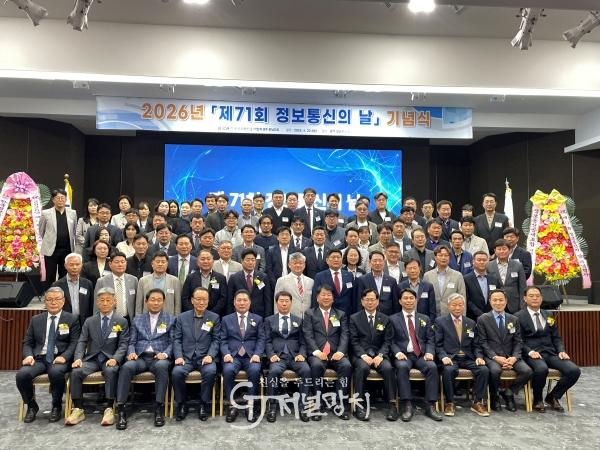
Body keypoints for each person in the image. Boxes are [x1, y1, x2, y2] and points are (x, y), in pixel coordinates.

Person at [65, 287, 129, 426]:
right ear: (97, 302)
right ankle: (78, 409)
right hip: (92, 359)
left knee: (111, 371)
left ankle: (109, 408)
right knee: (76, 371)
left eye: (108, 300)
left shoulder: (121, 321)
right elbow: (82, 341)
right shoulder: (89, 321)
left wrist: (116, 358)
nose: (105, 303)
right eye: (102, 300)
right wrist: (78, 358)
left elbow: (124, 344)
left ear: (114, 302)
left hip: (110, 359)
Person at [16, 287, 81, 423]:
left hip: (60, 358)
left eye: (57, 299)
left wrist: (65, 356)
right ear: (45, 302)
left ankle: (56, 406)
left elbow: (74, 343)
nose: (53, 302)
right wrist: (28, 356)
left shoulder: (72, 319)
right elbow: (28, 342)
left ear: (63, 301)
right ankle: (31, 405)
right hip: (39, 358)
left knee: (56, 372)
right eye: (49, 299)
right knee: (22, 375)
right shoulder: (36, 319)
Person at [115, 288, 176, 429]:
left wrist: (165, 354)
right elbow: (131, 342)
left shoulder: (171, 319)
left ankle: (159, 408)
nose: (156, 303)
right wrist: (131, 353)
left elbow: (173, 342)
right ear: (146, 302)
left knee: (162, 367)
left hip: (159, 357)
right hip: (140, 357)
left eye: (159, 300)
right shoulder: (137, 319)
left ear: (163, 302)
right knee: (126, 367)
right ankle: (121, 409)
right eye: (152, 300)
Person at [515, 286, 580, 413]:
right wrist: (530, 352)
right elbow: (518, 341)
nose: (535, 298)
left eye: (537, 296)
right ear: (525, 299)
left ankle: (553, 396)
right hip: (532, 353)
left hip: (550, 352)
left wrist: (561, 350)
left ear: (541, 298)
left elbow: (556, 337)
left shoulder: (548, 314)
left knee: (574, 370)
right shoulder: (518, 316)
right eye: (531, 296)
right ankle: (538, 399)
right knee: (541, 369)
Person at [389, 288, 442, 422]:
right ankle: (407, 404)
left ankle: (430, 405)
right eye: (405, 298)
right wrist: (397, 352)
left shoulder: (424, 318)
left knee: (432, 367)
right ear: (400, 301)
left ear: (416, 300)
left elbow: (430, 339)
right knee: (402, 367)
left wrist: (429, 352)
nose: (409, 301)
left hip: (421, 355)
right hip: (403, 355)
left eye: (411, 298)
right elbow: (390, 340)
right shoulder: (393, 319)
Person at [434, 293, 490, 417]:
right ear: (448, 305)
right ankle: (450, 402)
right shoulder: (440, 322)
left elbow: (476, 345)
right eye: (454, 305)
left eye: (460, 305)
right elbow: (437, 344)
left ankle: (477, 402)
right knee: (448, 370)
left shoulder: (471, 322)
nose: (457, 308)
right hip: (450, 357)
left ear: (464, 306)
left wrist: (479, 357)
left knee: (484, 370)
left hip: (468, 357)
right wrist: (443, 357)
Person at [477, 289, 532, 412]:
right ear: (490, 301)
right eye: (495, 300)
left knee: (527, 371)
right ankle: (494, 396)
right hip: (492, 357)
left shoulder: (514, 319)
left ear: (506, 301)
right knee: (495, 371)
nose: (498, 303)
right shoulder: (483, 319)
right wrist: (495, 357)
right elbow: (482, 342)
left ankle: (509, 392)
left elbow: (518, 341)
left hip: (511, 356)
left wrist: (514, 357)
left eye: (501, 300)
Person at [303, 285, 352, 421]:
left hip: (336, 353)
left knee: (346, 366)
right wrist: (317, 352)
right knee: (316, 366)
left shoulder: (340, 314)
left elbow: (345, 334)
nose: (326, 297)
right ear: (317, 298)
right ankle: (317, 404)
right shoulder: (310, 314)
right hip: (318, 353)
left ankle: (339, 403)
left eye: (329, 295)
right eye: (323, 295)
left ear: (333, 298)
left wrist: (341, 351)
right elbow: (308, 335)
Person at [172, 287, 220, 421]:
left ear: (208, 301)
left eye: (204, 299)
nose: (201, 302)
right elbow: (177, 339)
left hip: (205, 358)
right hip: (186, 358)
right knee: (176, 373)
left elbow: (216, 340)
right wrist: (179, 356)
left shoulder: (214, 318)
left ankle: (203, 404)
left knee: (211, 372)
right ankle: (182, 404)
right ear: (192, 300)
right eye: (198, 299)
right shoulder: (182, 317)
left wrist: (210, 355)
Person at [349, 289, 397, 421]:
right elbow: (353, 341)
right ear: (362, 302)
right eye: (367, 300)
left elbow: (388, 341)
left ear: (377, 301)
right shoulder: (354, 318)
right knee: (362, 368)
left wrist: (380, 355)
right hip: (361, 355)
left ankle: (392, 404)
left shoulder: (385, 318)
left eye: (372, 300)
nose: (370, 302)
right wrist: (363, 355)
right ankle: (358, 405)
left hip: (379, 355)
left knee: (388, 368)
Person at [264, 291, 311, 423]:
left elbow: (303, 341)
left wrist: (302, 354)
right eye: (281, 301)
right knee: (273, 372)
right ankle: (272, 407)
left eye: (287, 301)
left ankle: (303, 407)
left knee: (306, 370)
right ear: (276, 303)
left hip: (295, 356)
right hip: (278, 357)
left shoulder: (298, 320)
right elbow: (267, 341)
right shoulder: (269, 320)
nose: (284, 304)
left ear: (291, 303)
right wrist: (271, 355)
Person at [221, 290, 265, 423]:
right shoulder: (226, 319)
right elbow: (222, 340)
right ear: (234, 302)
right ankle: (232, 405)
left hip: (250, 356)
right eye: (239, 300)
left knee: (255, 370)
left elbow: (261, 339)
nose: (242, 303)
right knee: (228, 370)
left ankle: (250, 405)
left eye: (245, 300)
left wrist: (257, 354)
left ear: (250, 303)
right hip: (232, 356)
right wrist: (226, 353)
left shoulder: (257, 319)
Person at [39, 189, 77, 288]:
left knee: (64, 274)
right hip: (51, 249)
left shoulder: (72, 213)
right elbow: (41, 231)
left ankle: (62, 294)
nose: (60, 200)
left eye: (62, 198)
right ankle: (49, 293)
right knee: (50, 274)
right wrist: (49, 240)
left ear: (65, 199)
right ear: (53, 200)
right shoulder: (46, 213)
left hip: (67, 249)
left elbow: (74, 231)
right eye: (58, 198)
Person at [227, 248, 273, 317]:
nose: (250, 262)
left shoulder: (263, 277)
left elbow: (268, 300)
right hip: (239, 315)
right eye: (248, 260)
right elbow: (230, 301)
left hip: (259, 315)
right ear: (242, 261)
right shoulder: (234, 278)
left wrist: (267, 318)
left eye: (253, 260)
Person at [52, 252, 94, 326]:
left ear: (81, 265)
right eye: (71, 264)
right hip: (64, 322)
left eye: (77, 264)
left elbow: (91, 305)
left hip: (84, 322)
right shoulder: (57, 285)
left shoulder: (88, 284)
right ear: (65, 266)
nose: (75, 267)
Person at [95, 251, 139, 320]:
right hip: (109, 319)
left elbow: (137, 302)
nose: (120, 264)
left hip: (129, 318)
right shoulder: (102, 281)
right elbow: (97, 304)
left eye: (122, 262)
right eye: (117, 262)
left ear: (126, 263)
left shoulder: (134, 280)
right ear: (110, 264)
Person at [423, 246, 466, 316]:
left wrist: (462, 318)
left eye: (446, 255)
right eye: (440, 255)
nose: (443, 258)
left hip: (452, 316)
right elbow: (424, 299)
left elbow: (462, 298)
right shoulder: (427, 275)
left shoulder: (458, 276)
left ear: (449, 258)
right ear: (435, 257)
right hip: (432, 316)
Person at [181, 249, 227, 315]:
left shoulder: (221, 278)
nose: (206, 261)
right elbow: (185, 298)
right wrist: (194, 312)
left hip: (214, 315)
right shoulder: (190, 277)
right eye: (202, 259)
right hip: (193, 315)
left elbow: (223, 299)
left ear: (213, 261)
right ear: (197, 262)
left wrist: (211, 314)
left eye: (208, 259)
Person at [486, 239, 526, 314]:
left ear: (510, 250)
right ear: (495, 251)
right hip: (495, 303)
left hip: (514, 304)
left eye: (504, 249)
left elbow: (522, 287)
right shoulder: (489, 265)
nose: (502, 251)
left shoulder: (518, 265)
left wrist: (522, 307)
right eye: (499, 249)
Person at [355, 251, 399, 316]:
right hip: (368, 316)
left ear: (384, 262)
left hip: (387, 317)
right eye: (375, 261)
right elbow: (359, 302)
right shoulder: (362, 280)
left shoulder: (392, 281)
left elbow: (395, 303)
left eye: (380, 261)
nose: (377, 263)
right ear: (370, 263)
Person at [312, 249, 355, 316]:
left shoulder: (349, 275)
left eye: (338, 257)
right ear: (327, 260)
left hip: (346, 313)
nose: (336, 259)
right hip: (327, 313)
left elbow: (353, 296)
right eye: (333, 257)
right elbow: (315, 297)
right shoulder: (320, 276)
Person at [274, 252, 314, 318]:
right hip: (290, 318)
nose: (298, 265)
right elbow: (277, 302)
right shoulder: (282, 281)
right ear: (289, 265)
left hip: (308, 319)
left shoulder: (311, 281)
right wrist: (277, 318)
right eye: (295, 263)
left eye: (300, 263)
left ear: (304, 265)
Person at [464, 251, 501, 321]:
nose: (482, 262)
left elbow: (497, 297)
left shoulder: (494, 279)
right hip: (473, 317)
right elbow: (467, 299)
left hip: (492, 317)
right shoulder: (466, 279)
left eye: (484, 260)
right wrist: (480, 314)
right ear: (473, 262)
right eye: (479, 260)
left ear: (488, 261)